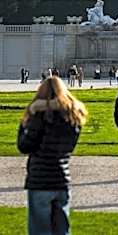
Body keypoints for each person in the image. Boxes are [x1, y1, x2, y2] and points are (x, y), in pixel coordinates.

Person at [17, 76, 87, 235]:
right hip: (62, 180)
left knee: (40, 231)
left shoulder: (39, 117)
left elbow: (24, 146)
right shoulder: (72, 117)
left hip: (40, 181)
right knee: (62, 231)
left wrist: (27, 120)